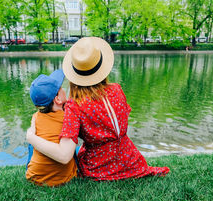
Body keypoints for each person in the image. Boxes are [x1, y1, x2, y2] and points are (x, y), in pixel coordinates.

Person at [27, 37, 169, 181]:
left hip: (97, 168)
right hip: (129, 160)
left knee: (48, 142)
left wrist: (31, 137)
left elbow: (64, 156)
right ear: (101, 67)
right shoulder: (117, 90)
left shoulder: (75, 106)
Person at [26, 69, 77, 186]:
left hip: (35, 178)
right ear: (58, 99)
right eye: (61, 88)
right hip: (65, 179)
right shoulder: (69, 116)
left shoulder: (35, 117)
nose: (64, 89)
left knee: (33, 142)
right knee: (76, 148)